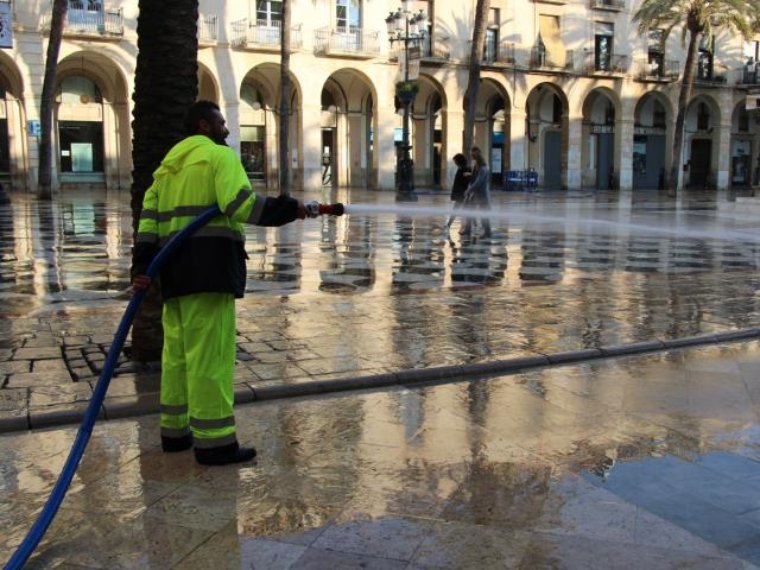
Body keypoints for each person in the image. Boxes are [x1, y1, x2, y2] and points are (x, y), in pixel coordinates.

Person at [131, 100, 308, 466]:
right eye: (222, 123)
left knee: (177, 356)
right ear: (204, 125)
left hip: (173, 277)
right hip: (209, 273)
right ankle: (215, 444)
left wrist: (142, 266)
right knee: (210, 359)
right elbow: (242, 205)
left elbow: (147, 224)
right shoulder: (218, 157)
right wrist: (288, 208)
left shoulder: (165, 171)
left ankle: (175, 434)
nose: (227, 130)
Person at [460, 146, 492, 238]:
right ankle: (467, 229)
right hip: (475, 194)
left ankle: (488, 232)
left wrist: (468, 190)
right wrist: (469, 175)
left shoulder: (483, 167)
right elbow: (474, 178)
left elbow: (478, 182)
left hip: (482, 195)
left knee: (483, 214)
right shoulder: (476, 165)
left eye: (472, 154)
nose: (471, 156)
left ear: (476, 155)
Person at [445, 153, 470, 230]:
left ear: (459, 161)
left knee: (459, 210)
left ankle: (469, 227)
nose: (454, 162)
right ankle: (449, 224)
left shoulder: (465, 169)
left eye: (455, 161)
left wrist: (464, 192)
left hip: (462, 194)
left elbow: (466, 182)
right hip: (460, 193)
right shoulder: (461, 168)